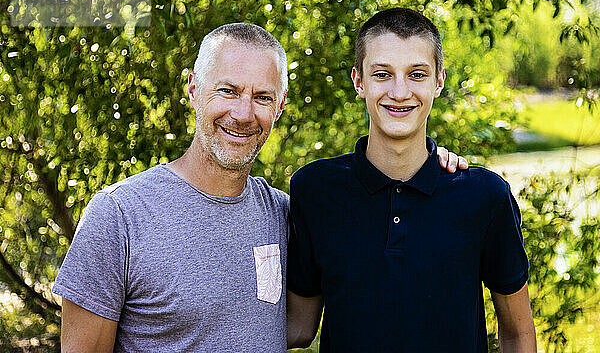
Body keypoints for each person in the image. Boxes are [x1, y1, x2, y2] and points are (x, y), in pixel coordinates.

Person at [52, 22, 466, 352]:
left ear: (280, 106)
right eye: (228, 91)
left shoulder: (288, 215)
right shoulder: (119, 217)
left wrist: (428, 162)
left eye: (263, 97)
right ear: (193, 90)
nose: (243, 113)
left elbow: (306, 323)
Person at [286, 8, 536, 353]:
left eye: (416, 74)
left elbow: (518, 336)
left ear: (439, 80)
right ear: (359, 81)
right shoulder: (314, 190)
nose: (400, 92)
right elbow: (298, 327)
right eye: (383, 74)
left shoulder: (485, 196)